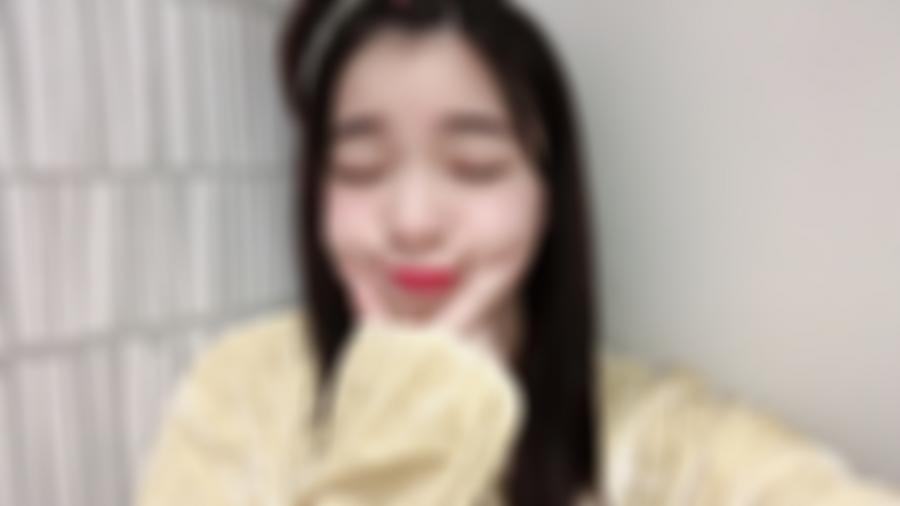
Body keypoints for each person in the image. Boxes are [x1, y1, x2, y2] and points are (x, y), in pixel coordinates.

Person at [135, 1, 899, 504]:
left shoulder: (649, 434)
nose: (413, 222)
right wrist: (413, 414)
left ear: (549, 193)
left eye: (475, 167)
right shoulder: (242, 395)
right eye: (360, 169)